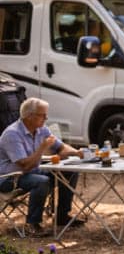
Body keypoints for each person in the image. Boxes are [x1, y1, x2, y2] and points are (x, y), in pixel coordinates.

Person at [0, 98, 82, 236]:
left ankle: (62, 215)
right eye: (42, 115)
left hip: (31, 172)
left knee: (69, 170)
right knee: (41, 181)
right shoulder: (12, 134)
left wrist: (77, 152)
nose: (46, 118)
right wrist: (42, 147)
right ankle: (33, 224)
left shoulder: (41, 129)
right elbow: (26, 165)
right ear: (29, 116)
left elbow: (61, 147)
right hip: (9, 178)